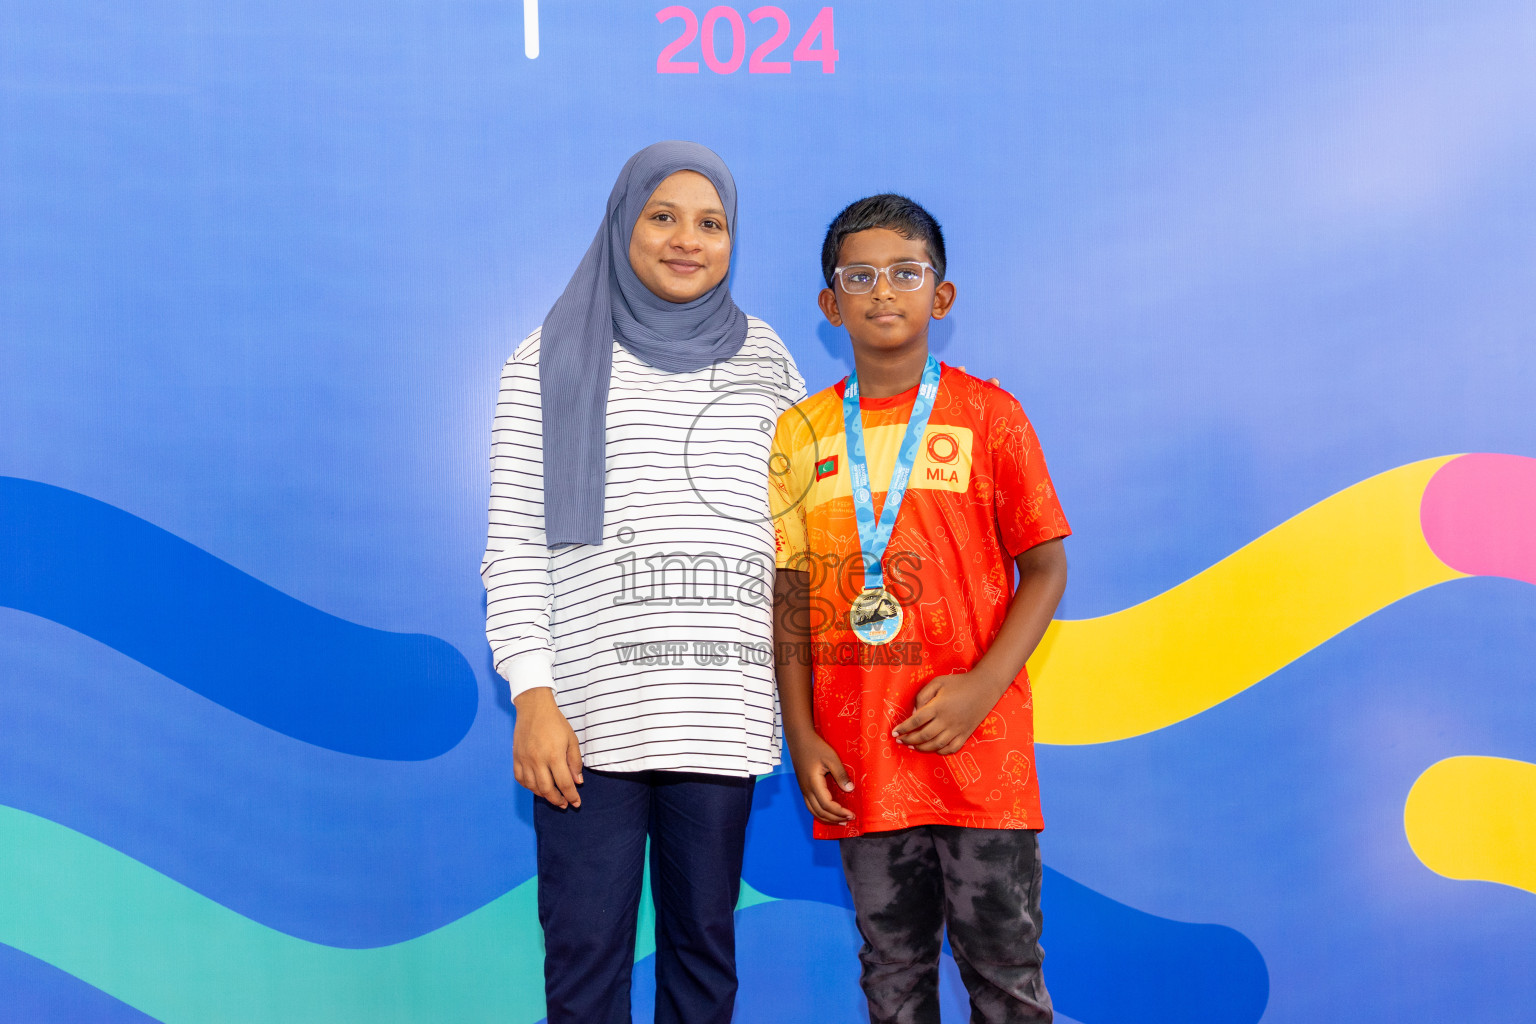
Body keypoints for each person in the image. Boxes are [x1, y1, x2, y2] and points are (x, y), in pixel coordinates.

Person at [482, 141, 804, 1024]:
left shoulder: (769, 360)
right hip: (586, 722)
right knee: (585, 959)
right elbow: (513, 545)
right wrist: (534, 697)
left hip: (721, 715)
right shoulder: (548, 358)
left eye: (712, 222)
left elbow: (798, 539)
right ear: (625, 223)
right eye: (663, 216)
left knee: (705, 956)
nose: (686, 240)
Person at [770, 194, 1070, 1023]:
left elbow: (1046, 569)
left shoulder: (990, 416)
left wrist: (980, 688)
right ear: (831, 305)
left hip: (982, 759)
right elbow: (789, 597)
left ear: (941, 295)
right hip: (862, 758)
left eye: (906, 273)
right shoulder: (801, 433)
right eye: (858, 276)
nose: (883, 292)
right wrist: (802, 735)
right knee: (892, 981)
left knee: (1006, 977)